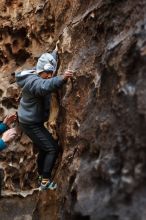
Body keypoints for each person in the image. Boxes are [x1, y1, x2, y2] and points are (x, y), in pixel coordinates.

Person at [15, 48, 73, 190]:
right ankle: (45, 183)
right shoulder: (33, 82)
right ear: (41, 71)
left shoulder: (38, 71)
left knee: (44, 148)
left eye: (51, 73)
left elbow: (46, 62)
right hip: (30, 123)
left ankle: (41, 176)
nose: (49, 76)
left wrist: (55, 51)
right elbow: (44, 87)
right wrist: (61, 78)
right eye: (47, 73)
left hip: (29, 119)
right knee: (52, 148)